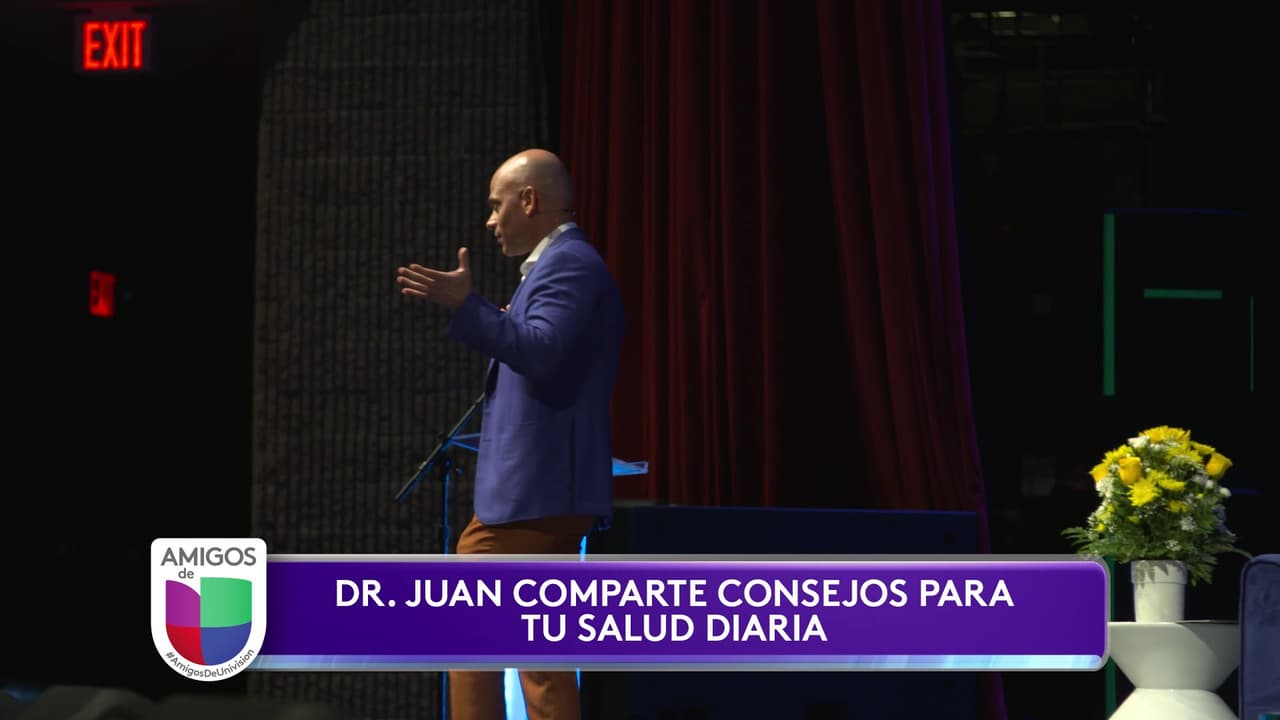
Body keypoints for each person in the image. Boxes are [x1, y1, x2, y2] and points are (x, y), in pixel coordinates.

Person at [395, 148, 625, 720]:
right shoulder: (558, 266)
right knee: (538, 656)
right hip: (542, 494)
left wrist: (468, 306)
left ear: (529, 200)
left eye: (497, 206)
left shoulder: (568, 264)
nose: (491, 221)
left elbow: (540, 352)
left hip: (536, 493)